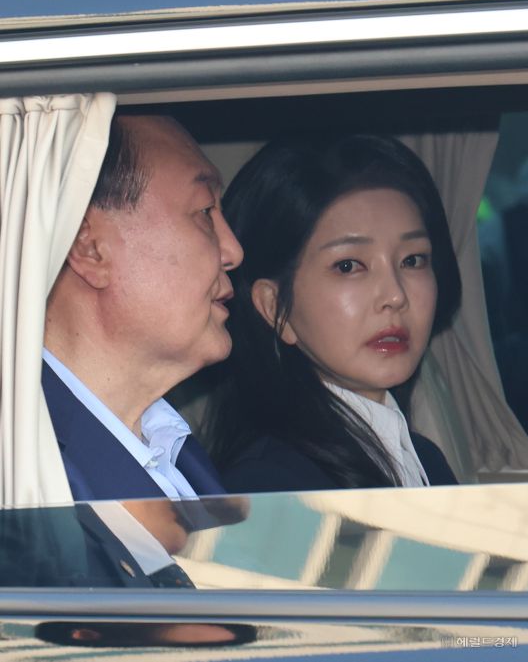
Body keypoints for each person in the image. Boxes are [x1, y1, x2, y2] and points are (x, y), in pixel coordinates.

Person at [203, 134, 461, 492]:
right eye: (348, 266)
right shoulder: (270, 487)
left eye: (413, 260)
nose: (395, 296)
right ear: (274, 306)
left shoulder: (425, 459)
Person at [43, 114, 243, 501]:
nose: (233, 251)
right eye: (205, 211)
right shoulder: (23, 471)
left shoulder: (173, 448)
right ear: (90, 248)